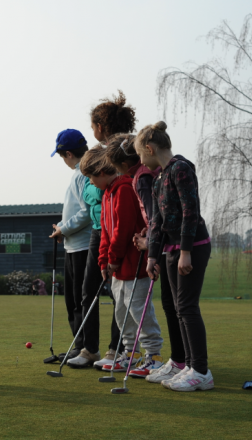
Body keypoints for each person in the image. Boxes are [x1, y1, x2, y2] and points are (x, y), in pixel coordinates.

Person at [106, 133, 186, 381]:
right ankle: (163, 358)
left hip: (159, 251)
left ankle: (160, 358)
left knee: (173, 309)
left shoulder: (140, 178)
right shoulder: (146, 175)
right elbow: (154, 219)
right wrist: (150, 234)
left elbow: (154, 216)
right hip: (160, 245)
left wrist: (150, 242)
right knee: (169, 308)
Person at [140, 121, 214, 392]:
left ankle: (201, 372)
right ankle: (182, 363)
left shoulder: (181, 169)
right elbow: (157, 221)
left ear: (149, 148)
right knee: (173, 308)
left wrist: (185, 252)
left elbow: (190, 211)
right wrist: (152, 257)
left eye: (140, 155)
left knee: (187, 307)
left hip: (192, 247)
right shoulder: (159, 177)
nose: (140, 160)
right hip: (171, 250)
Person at [81, 145, 163, 373]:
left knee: (139, 310)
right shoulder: (108, 193)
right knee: (121, 312)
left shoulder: (124, 188)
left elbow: (123, 229)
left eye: (90, 178)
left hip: (134, 264)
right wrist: (103, 262)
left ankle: (153, 354)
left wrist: (114, 259)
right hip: (116, 267)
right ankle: (130, 353)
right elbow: (105, 233)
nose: (90, 183)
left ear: (102, 171)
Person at [83, 90, 138, 371]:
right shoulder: (98, 156)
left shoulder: (124, 153)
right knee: (93, 290)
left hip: (124, 235)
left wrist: (111, 254)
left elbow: (124, 211)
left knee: (124, 297)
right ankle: (92, 348)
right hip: (102, 230)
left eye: (92, 126)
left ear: (100, 127)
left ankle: (121, 350)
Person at [49, 129, 92, 363]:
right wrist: (62, 229)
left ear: (67, 154)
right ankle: (79, 345)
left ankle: (84, 347)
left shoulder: (83, 174)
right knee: (73, 300)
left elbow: (86, 213)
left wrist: (63, 229)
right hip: (72, 245)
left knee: (79, 300)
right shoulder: (80, 173)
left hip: (82, 246)